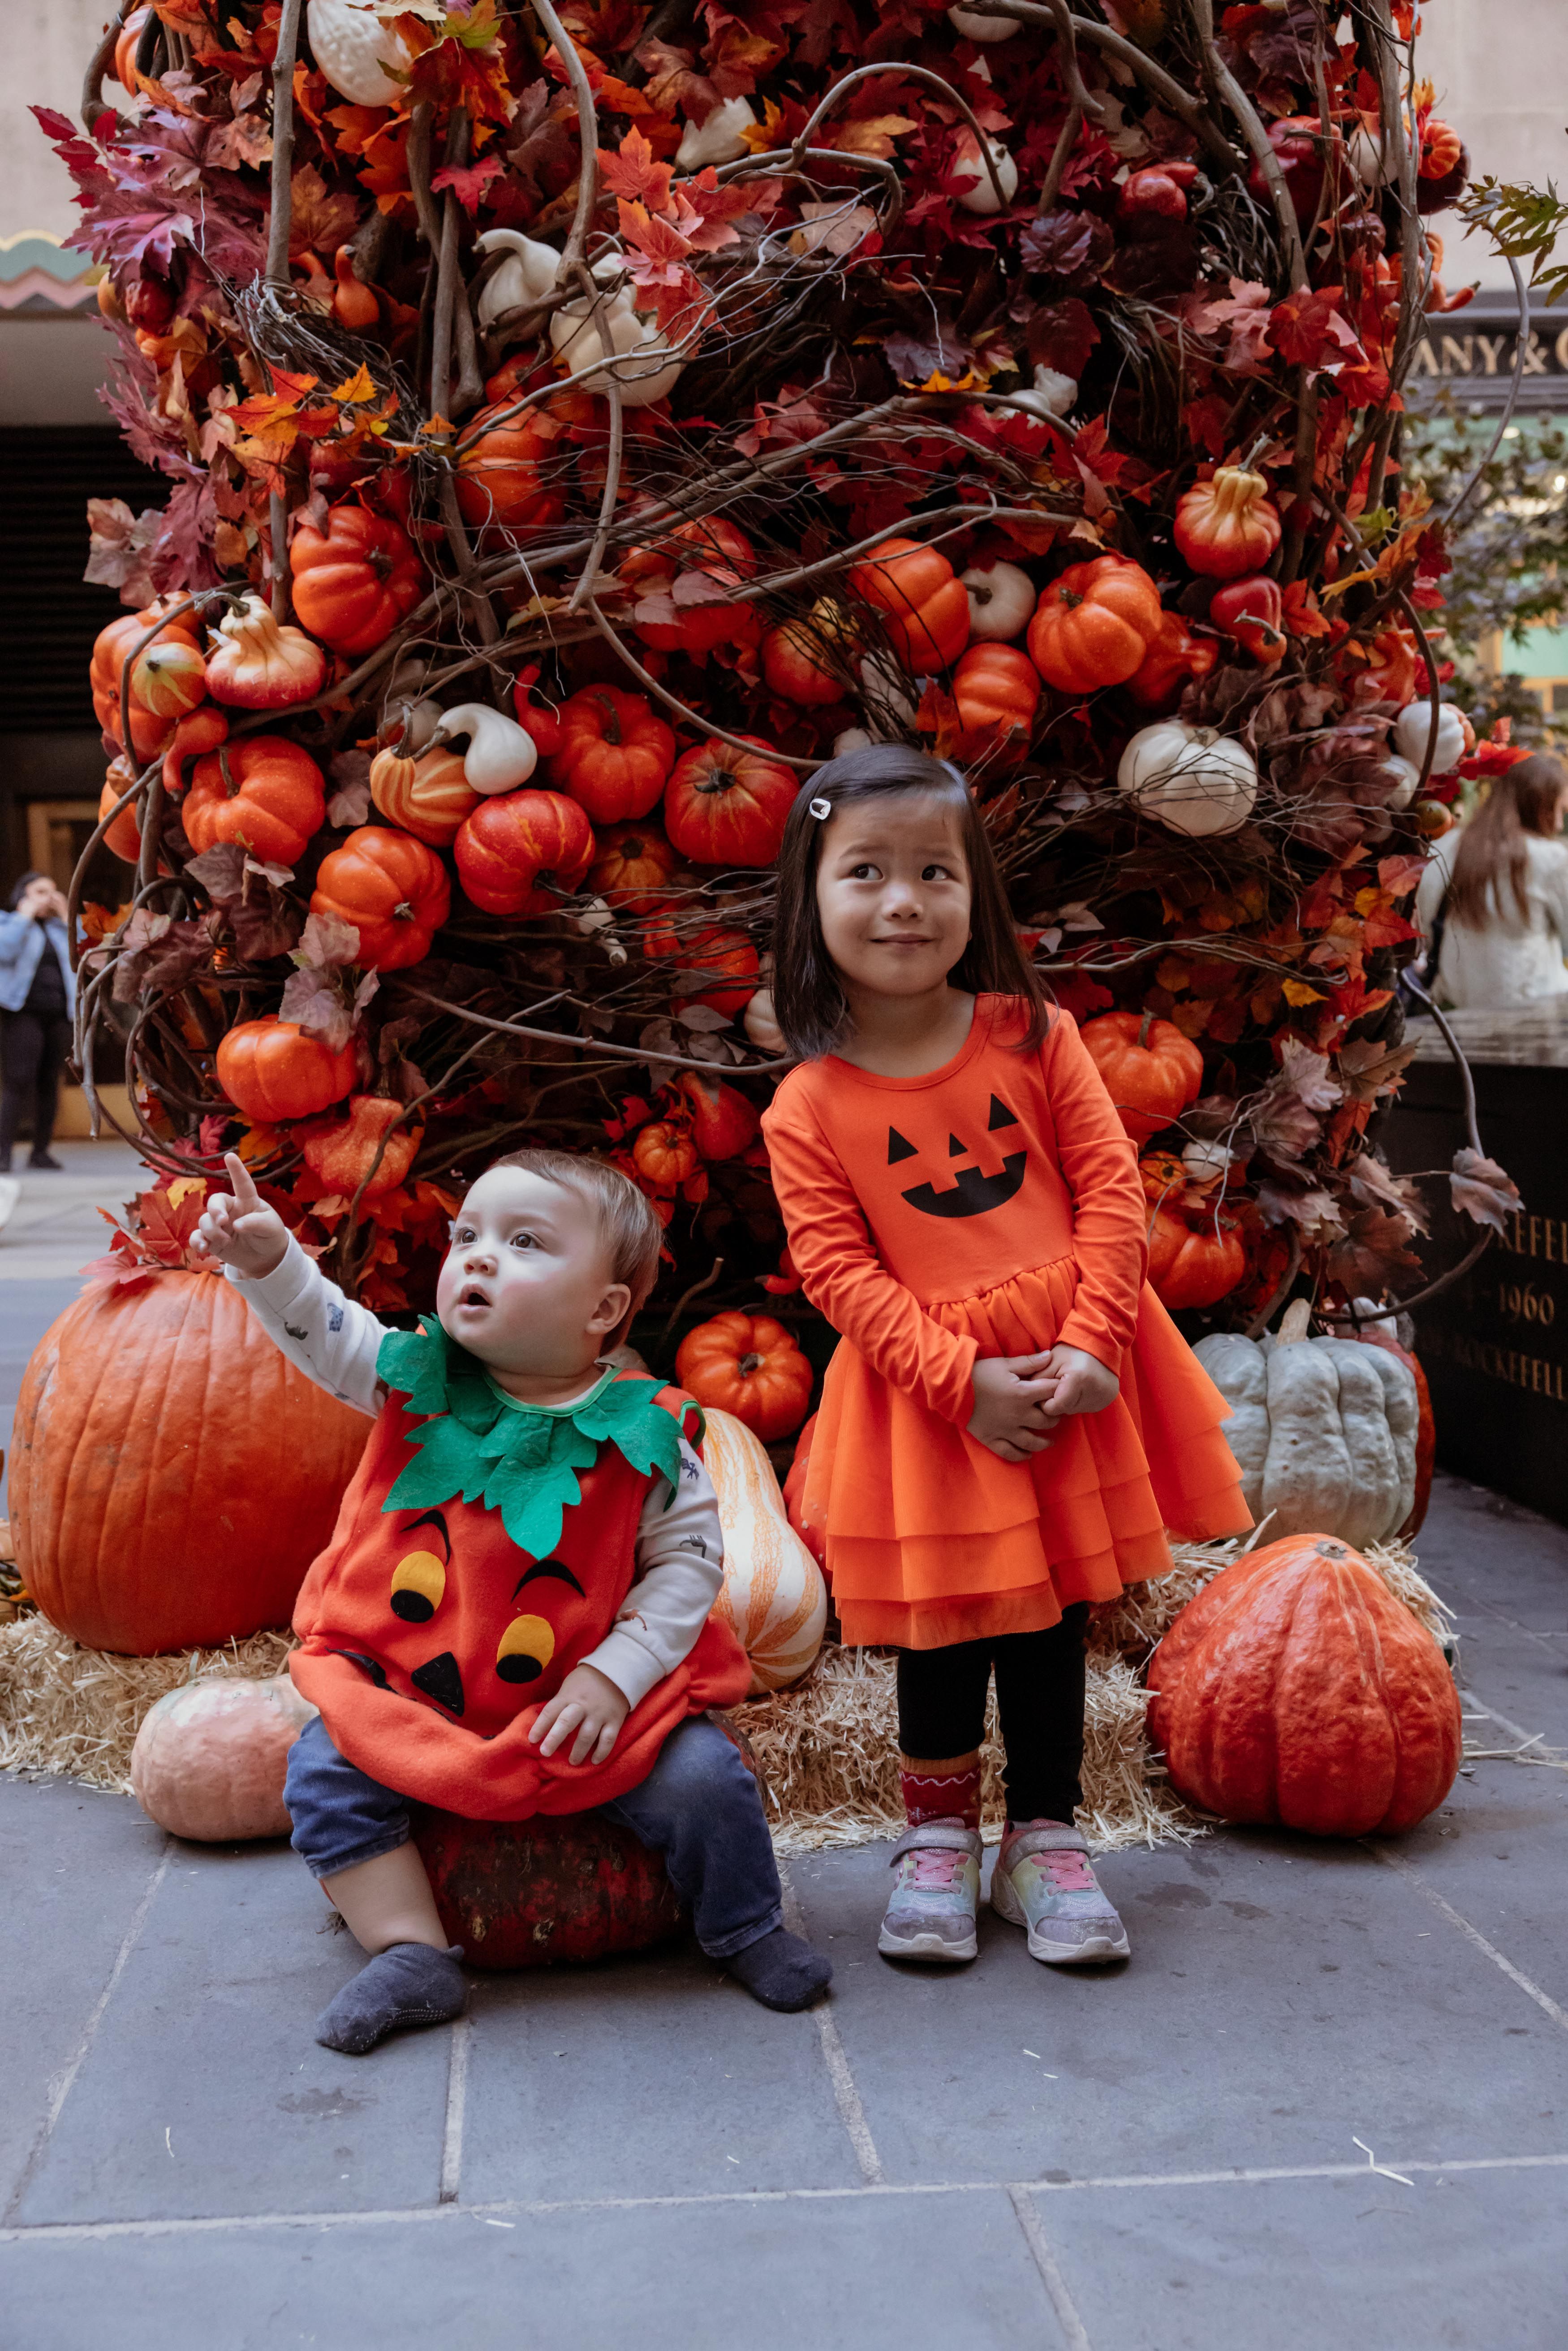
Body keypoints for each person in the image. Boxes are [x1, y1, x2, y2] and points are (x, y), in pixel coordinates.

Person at [761, 745, 1249, 1971]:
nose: (902, 901)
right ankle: (933, 1840)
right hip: (931, 1394)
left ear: (973, 892)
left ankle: (1045, 1833)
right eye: (864, 871)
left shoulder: (1033, 1038)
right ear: (810, 901)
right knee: (940, 1625)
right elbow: (838, 1272)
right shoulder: (807, 1105)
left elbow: (1110, 1197)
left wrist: (1090, 1344)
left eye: (935, 871)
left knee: (1049, 1615)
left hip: (1064, 1370)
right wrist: (954, 1379)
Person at [196, 1146, 831, 2053]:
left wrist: (616, 1677)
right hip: (423, 1685)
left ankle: (743, 1923)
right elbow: (330, 1331)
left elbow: (688, 1566)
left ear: (604, 1309)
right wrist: (271, 1263)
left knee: (703, 1779)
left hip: (591, 1698)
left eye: (524, 1240)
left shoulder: (647, 1432)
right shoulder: (415, 1381)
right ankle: (410, 1950)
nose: (479, 1255)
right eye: (468, 1235)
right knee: (325, 1773)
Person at [1414, 753, 1568, 1010]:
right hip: (1539, 1018)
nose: (1560, 824)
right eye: (1559, 811)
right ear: (1540, 805)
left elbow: (1423, 933)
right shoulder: (1550, 859)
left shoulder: (1441, 851)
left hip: (1457, 1022)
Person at [0, 871, 76, 1173]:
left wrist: (67, 914)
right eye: (40, 891)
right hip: (23, 1014)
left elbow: (88, 952)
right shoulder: (7, 923)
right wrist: (24, 916)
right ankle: (3, 1153)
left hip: (59, 1014)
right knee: (17, 1082)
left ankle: (40, 1152)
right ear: (23, 895)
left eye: (53, 891)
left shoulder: (60, 929)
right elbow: (4, 950)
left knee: (50, 1083)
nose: (48, 897)